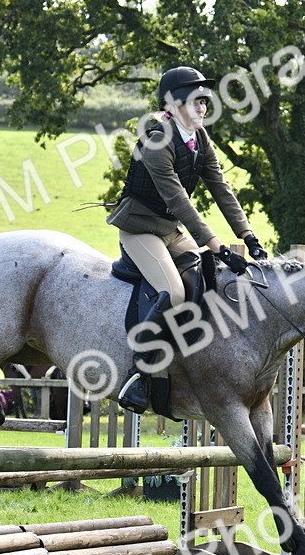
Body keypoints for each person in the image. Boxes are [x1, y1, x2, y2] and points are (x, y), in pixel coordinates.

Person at [107, 66, 266, 413]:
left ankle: (189, 365)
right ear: (175, 104)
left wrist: (248, 235)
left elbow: (221, 189)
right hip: (139, 228)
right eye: (196, 103)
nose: (203, 108)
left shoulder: (200, 139)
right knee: (175, 291)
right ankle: (139, 370)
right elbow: (179, 200)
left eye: (205, 103)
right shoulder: (156, 138)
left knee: (207, 279)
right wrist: (219, 246)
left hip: (169, 230)